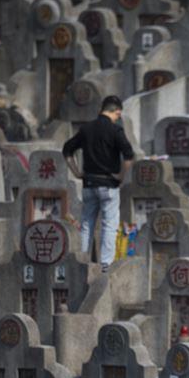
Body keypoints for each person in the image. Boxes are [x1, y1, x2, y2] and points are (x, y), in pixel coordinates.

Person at [62, 95, 135, 272]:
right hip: (108, 186)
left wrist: (77, 172)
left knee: (86, 224)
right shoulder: (115, 130)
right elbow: (129, 155)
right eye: (119, 115)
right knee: (109, 225)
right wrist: (121, 175)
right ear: (116, 111)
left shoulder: (86, 129)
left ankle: (82, 262)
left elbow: (67, 150)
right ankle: (105, 266)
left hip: (89, 184)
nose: (118, 118)